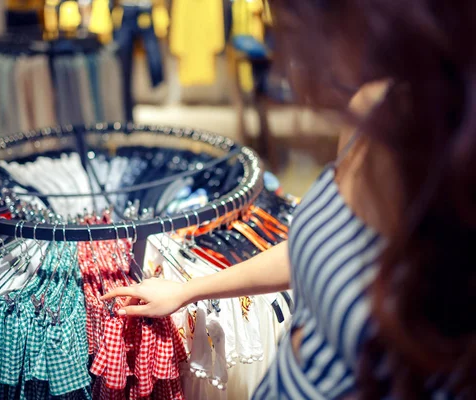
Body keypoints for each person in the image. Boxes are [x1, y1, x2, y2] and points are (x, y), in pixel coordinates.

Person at [102, 1, 476, 398]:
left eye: (303, 30)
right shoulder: (372, 110)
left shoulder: (456, 180)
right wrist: (189, 289)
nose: (292, 59)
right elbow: (312, 247)